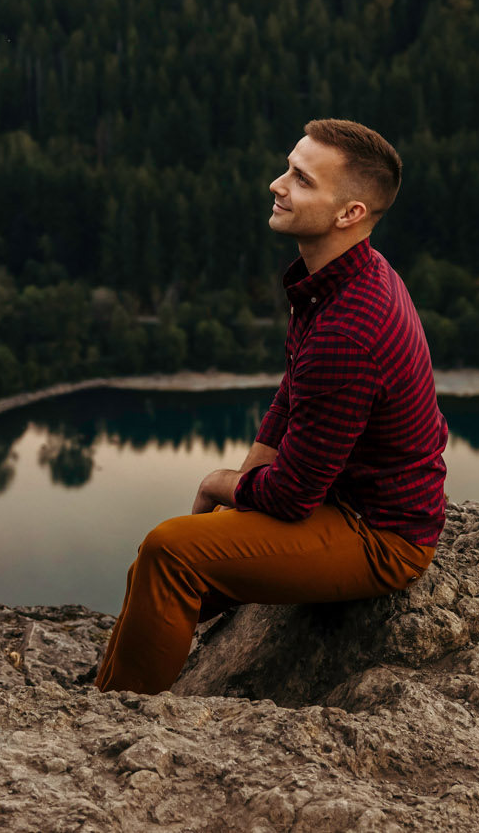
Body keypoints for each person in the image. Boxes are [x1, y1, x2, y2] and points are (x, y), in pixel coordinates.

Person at [94, 118, 448, 695]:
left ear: (349, 213)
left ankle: (117, 714)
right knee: (162, 558)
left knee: (170, 552)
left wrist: (220, 484)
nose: (276, 184)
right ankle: (107, 691)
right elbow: (292, 392)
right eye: (288, 167)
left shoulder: (349, 331)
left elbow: (292, 496)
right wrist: (250, 474)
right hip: (345, 499)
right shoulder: (339, 279)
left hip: (381, 535)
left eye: (301, 180)